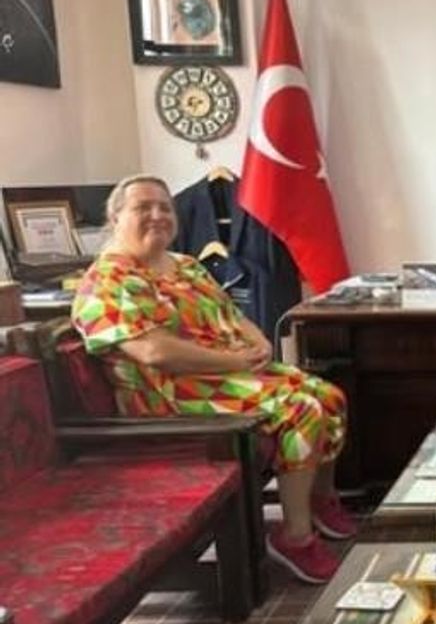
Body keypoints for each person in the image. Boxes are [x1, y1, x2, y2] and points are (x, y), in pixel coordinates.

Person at [71, 174, 356, 585]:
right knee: (301, 408)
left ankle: (318, 498)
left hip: (224, 375)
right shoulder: (107, 281)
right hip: (170, 393)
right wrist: (233, 361)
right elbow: (154, 352)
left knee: (329, 395)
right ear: (115, 217)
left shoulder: (185, 265)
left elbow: (231, 314)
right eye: (143, 207)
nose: (157, 215)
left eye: (165, 207)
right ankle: (294, 537)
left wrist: (259, 342)